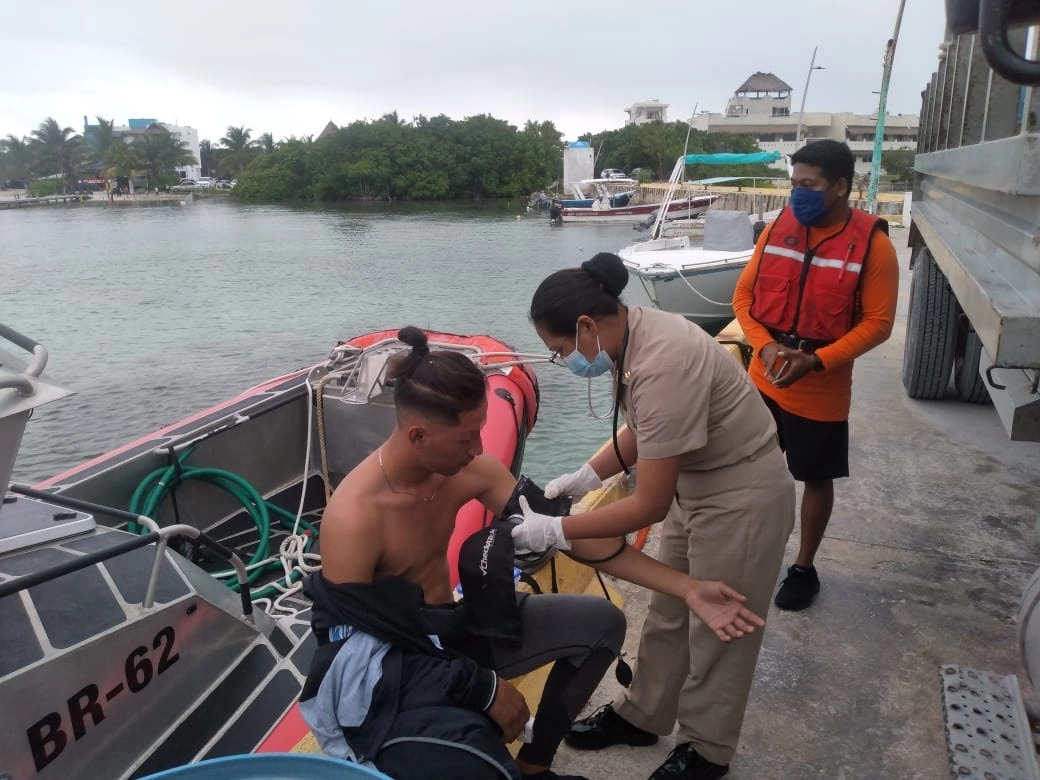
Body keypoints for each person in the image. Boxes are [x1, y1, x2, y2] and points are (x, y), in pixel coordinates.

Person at [311, 327, 766, 780]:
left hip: (459, 626)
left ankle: (535, 767)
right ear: (417, 436)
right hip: (407, 661)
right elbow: (350, 658)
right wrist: (481, 686)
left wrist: (687, 588)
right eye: (467, 440)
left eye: (482, 433)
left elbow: (571, 536)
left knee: (602, 625)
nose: (480, 451)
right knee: (480, 761)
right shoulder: (355, 517)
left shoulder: (473, 470)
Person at [514, 259, 795, 780]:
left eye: (560, 351)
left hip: (741, 498)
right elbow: (648, 430)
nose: (563, 360)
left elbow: (648, 507)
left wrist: (555, 530)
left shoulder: (664, 360)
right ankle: (643, 713)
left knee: (719, 623)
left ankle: (708, 749)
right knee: (670, 609)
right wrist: (585, 477)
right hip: (699, 483)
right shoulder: (632, 335)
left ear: (585, 326)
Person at [732, 139, 899, 611]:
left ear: (841, 187)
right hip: (765, 375)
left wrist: (817, 361)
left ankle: (803, 567)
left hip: (821, 384)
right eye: (794, 184)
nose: (797, 195)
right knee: (750, 471)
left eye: (809, 185)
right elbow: (743, 298)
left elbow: (878, 325)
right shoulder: (778, 229)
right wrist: (764, 348)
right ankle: (748, 554)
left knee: (814, 477)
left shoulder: (876, 247)